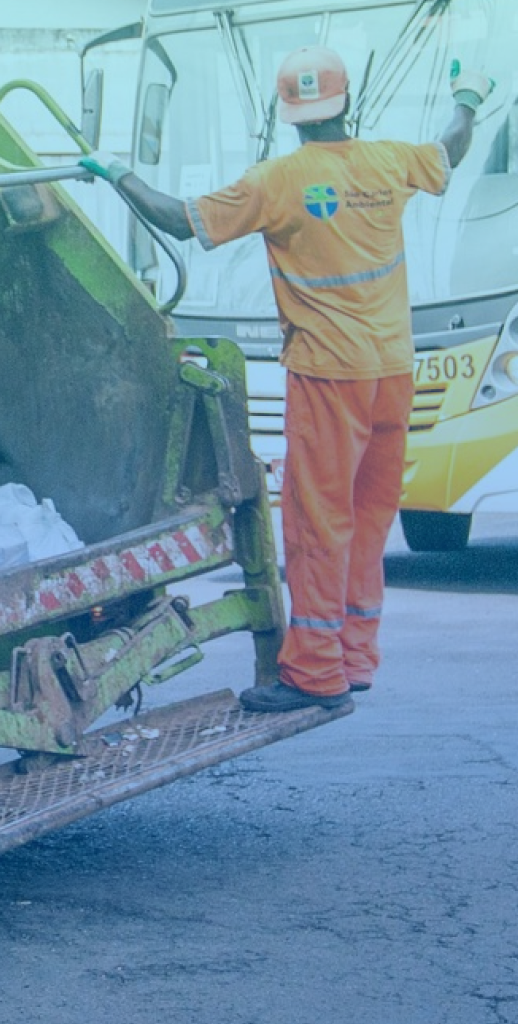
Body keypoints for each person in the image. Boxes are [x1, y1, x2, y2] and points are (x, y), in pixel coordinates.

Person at [80, 49, 493, 713]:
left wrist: (116, 173)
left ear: (286, 112)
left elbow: (179, 218)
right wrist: (469, 95)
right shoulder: (390, 160)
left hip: (328, 377)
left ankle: (314, 675)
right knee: (367, 520)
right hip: (392, 371)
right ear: (347, 101)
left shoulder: (278, 180)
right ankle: (355, 658)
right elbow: (451, 146)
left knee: (315, 527)